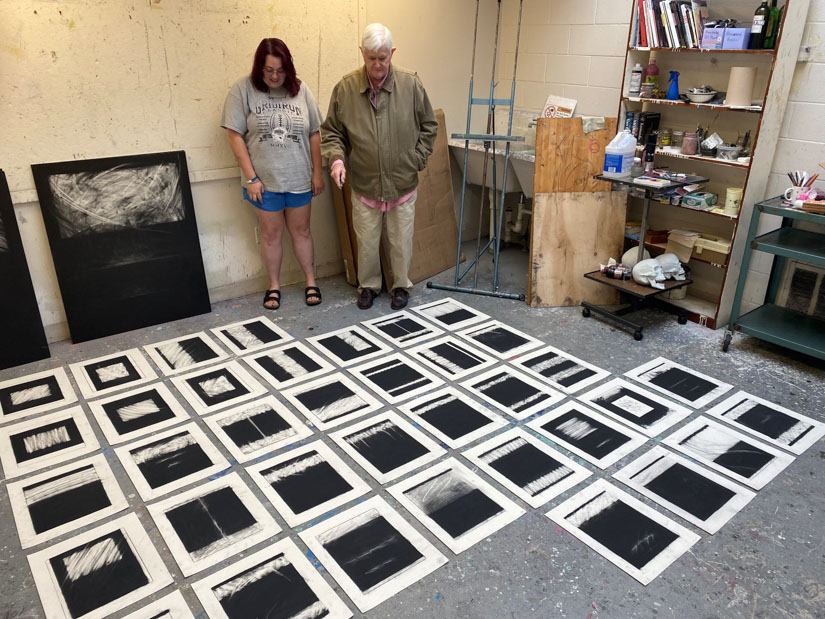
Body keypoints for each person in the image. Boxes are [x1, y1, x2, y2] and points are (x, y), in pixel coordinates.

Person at [322, 23, 437, 310]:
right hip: (364, 182)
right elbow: (332, 132)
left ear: (392, 53)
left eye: (383, 58)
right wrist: (336, 160)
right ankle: (369, 286)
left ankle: (400, 286)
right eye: (371, 57)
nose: (377, 64)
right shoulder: (346, 88)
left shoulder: (410, 84)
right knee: (367, 242)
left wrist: (417, 159)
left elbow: (429, 126)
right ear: (362, 53)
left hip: (402, 180)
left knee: (401, 242)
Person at [222, 38, 324, 310]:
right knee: (270, 235)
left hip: (299, 179)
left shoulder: (301, 91)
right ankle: (274, 285)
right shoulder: (243, 90)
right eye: (269, 70)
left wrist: (317, 173)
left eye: (280, 70)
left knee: (302, 231)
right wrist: (251, 178)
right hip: (263, 184)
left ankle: (311, 280)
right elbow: (234, 135)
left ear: (288, 68)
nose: (275, 76)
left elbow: (315, 133)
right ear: (259, 68)